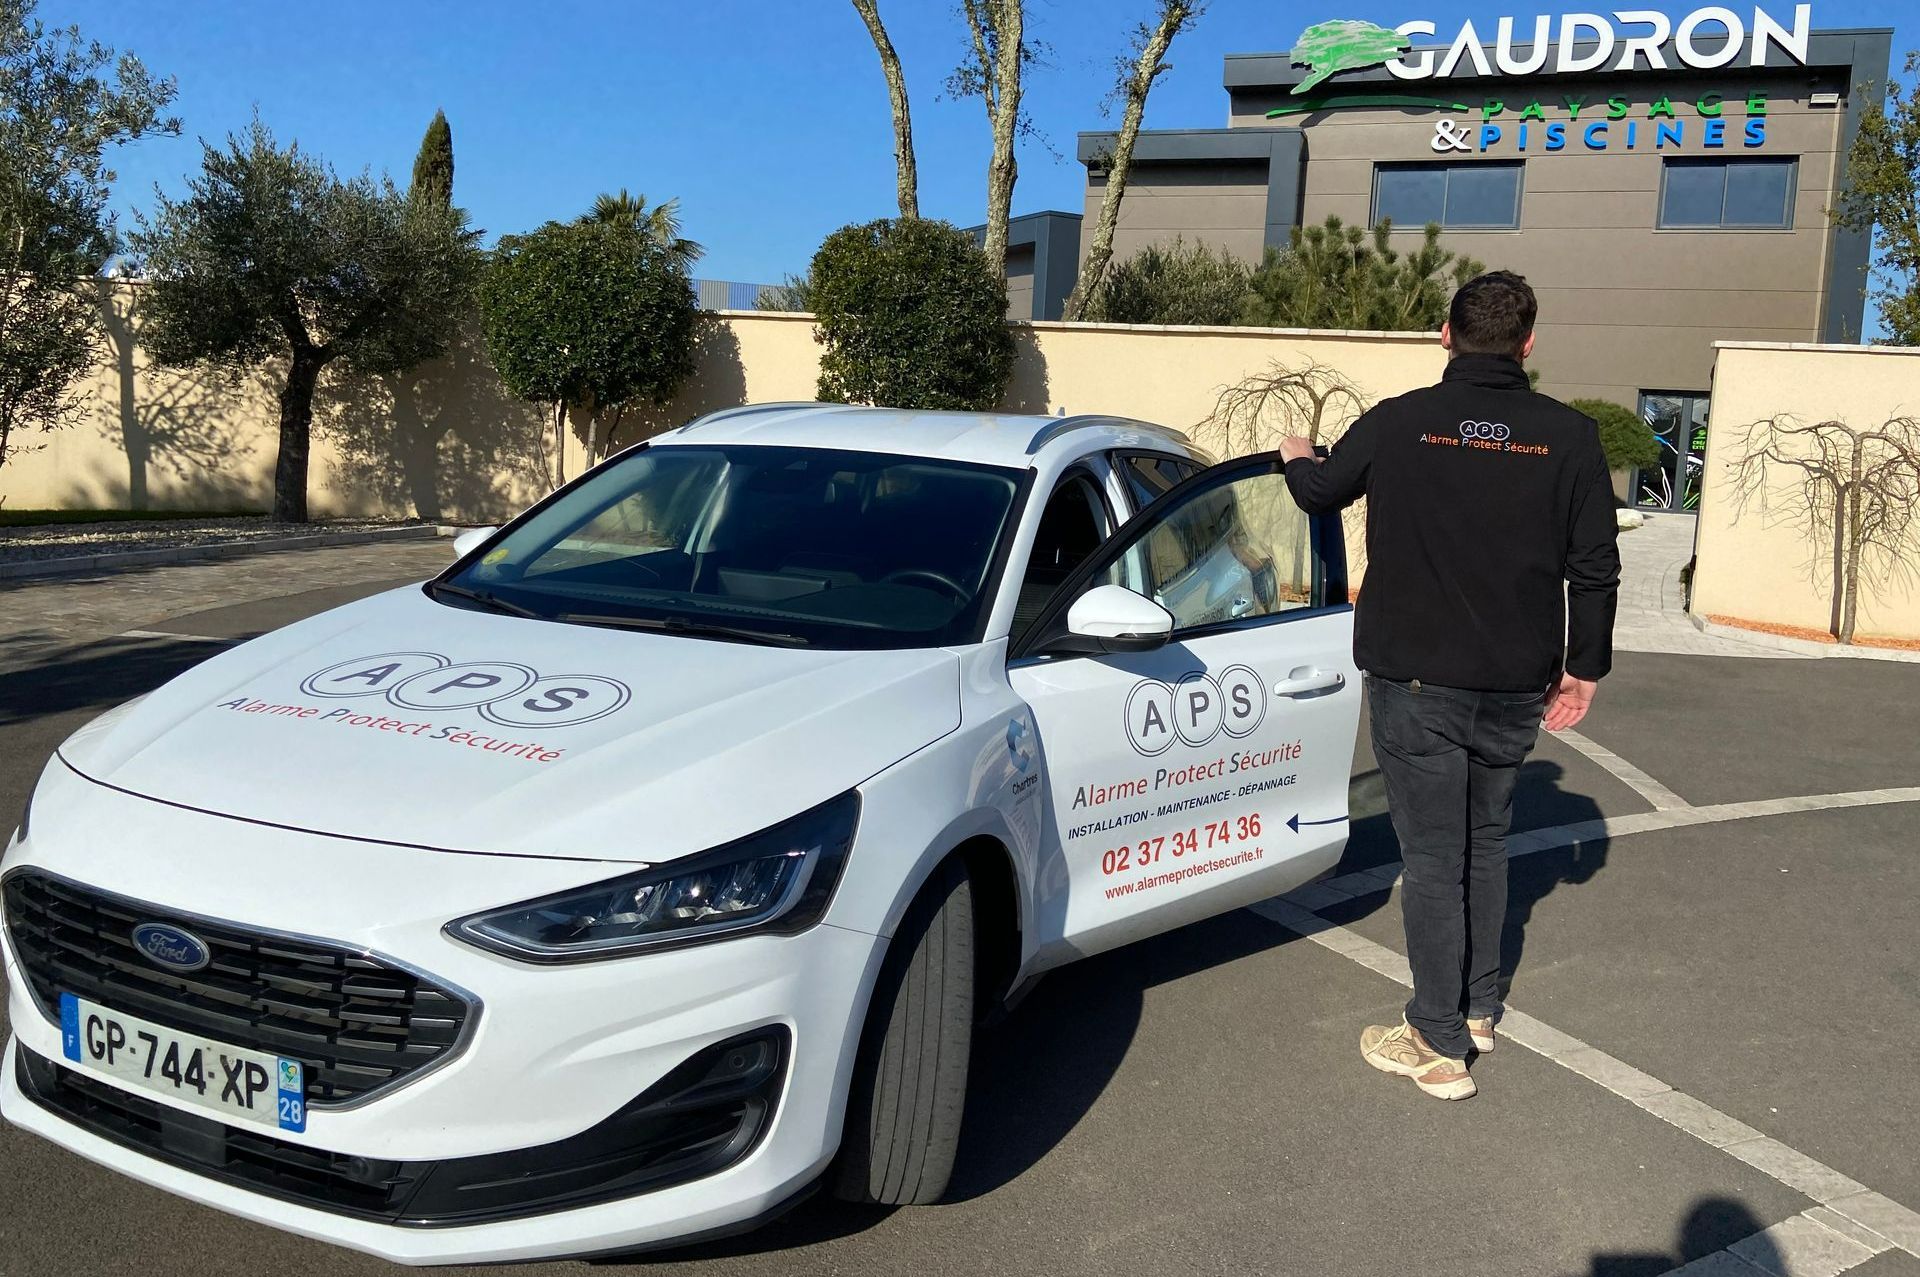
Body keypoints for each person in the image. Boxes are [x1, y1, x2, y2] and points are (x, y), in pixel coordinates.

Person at [1278, 271, 1620, 1101]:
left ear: (1445, 334)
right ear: (1528, 344)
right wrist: (1584, 669)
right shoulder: (1568, 437)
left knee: (1433, 857)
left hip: (1417, 679)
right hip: (1513, 684)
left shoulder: (1401, 422)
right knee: (1485, 842)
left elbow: (1322, 492)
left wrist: (1295, 458)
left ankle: (1435, 1040)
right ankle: (1475, 1008)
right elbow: (1595, 568)